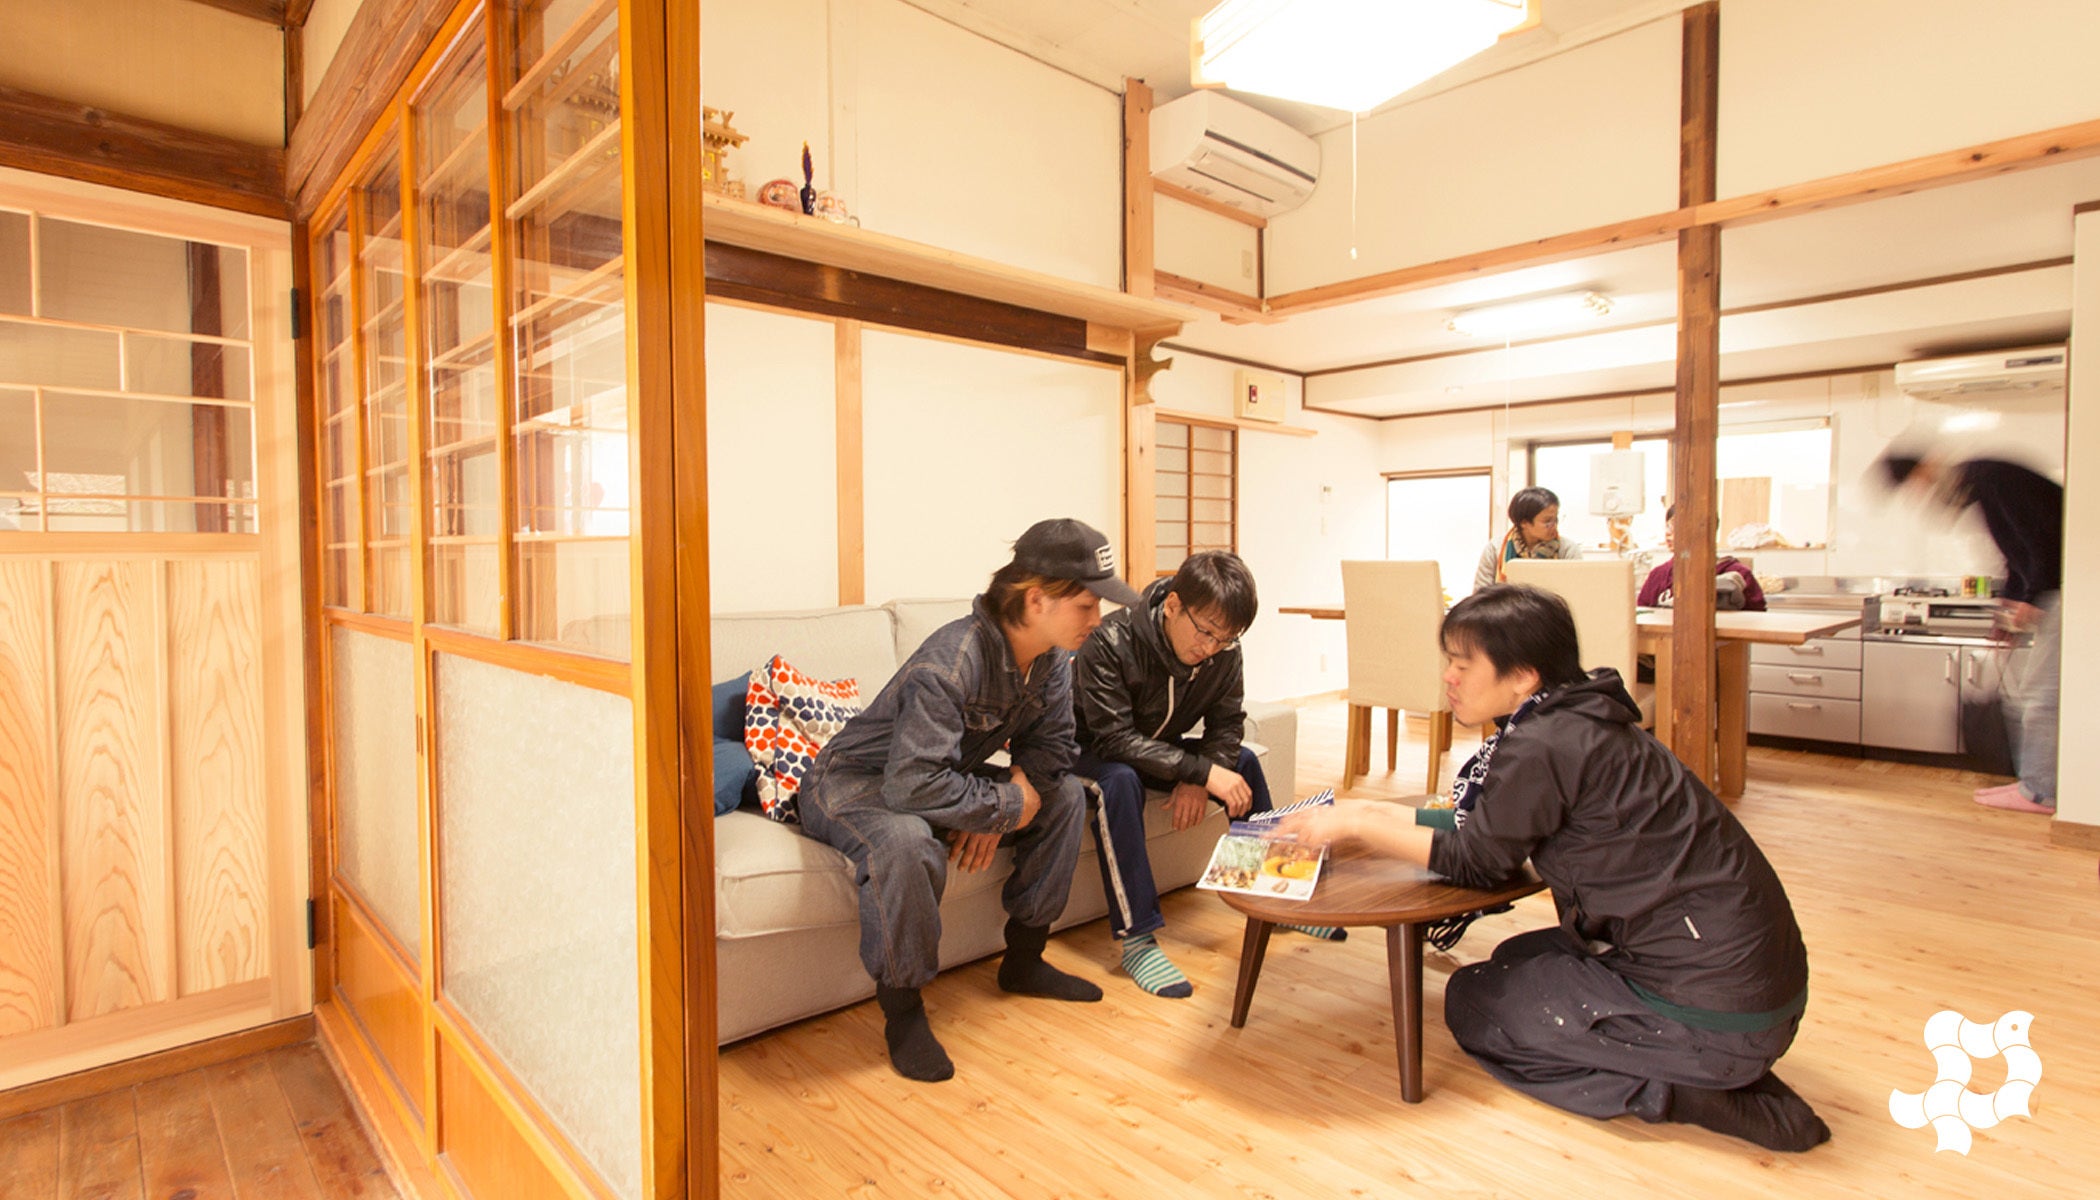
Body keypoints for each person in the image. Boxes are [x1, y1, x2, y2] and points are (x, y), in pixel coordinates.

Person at [1279, 585, 1828, 1152]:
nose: (1448, 677)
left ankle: (1683, 1092)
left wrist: (1358, 823)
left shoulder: (1544, 744)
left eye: (1463, 664)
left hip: (1718, 1010)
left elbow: (1479, 859)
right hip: (1749, 985)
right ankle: (1698, 1063)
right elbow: (1488, 825)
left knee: (1473, 1001)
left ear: (1523, 676)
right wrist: (1364, 812)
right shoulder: (1577, 717)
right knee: (1515, 958)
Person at [796, 518, 1137, 1082]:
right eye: (1087, 605)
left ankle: (1023, 961)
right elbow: (911, 785)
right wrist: (1000, 807)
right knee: (906, 843)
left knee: (1066, 797)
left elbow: (1054, 748)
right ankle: (903, 1011)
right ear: (1036, 599)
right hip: (854, 782)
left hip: (940, 775)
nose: (1097, 619)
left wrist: (995, 806)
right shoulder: (950, 662)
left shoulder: (1051, 658)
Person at [1072, 551, 1339, 999]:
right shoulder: (1110, 641)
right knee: (1119, 781)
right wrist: (1199, 771)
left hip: (1152, 748)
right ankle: (1138, 941)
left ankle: (1275, 895)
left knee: (1244, 761)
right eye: (1206, 632)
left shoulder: (1225, 649)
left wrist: (1199, 776)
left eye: (1225, 638)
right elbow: (1114, 739)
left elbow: (1227, 724)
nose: (1211, 647)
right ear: (1173, 605)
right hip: (1087, 750)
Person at [1878, 452, 2062, 814]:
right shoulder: (1985, 483)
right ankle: (2033, 783)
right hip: (2056, 586)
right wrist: (2010, 605)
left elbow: (2041, 541)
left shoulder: (1989, 477)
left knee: (2042, 696)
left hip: (2065, 587)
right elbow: (2017, 552)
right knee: (2031, 695)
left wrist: (2031, 596)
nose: (1921, 496)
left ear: (1926, 469)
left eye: (1916, 486)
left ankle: (2040, 791)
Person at [1638, 503, 1766, 611]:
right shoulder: (1658, 575)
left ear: (1705, 532)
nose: (1668, 534)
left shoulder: (1739, 575)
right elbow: (1642, 616)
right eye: (1668, 526)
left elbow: (1755, 620)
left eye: (1677, 527)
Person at [1474, 486, 1583, 591]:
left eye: (1556, 519)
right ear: (1524, 523)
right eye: (1547, 521)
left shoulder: (1567, 550)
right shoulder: (1496, 548)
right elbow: (1481, 595)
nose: (1554, 525)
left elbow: (1577, 592)